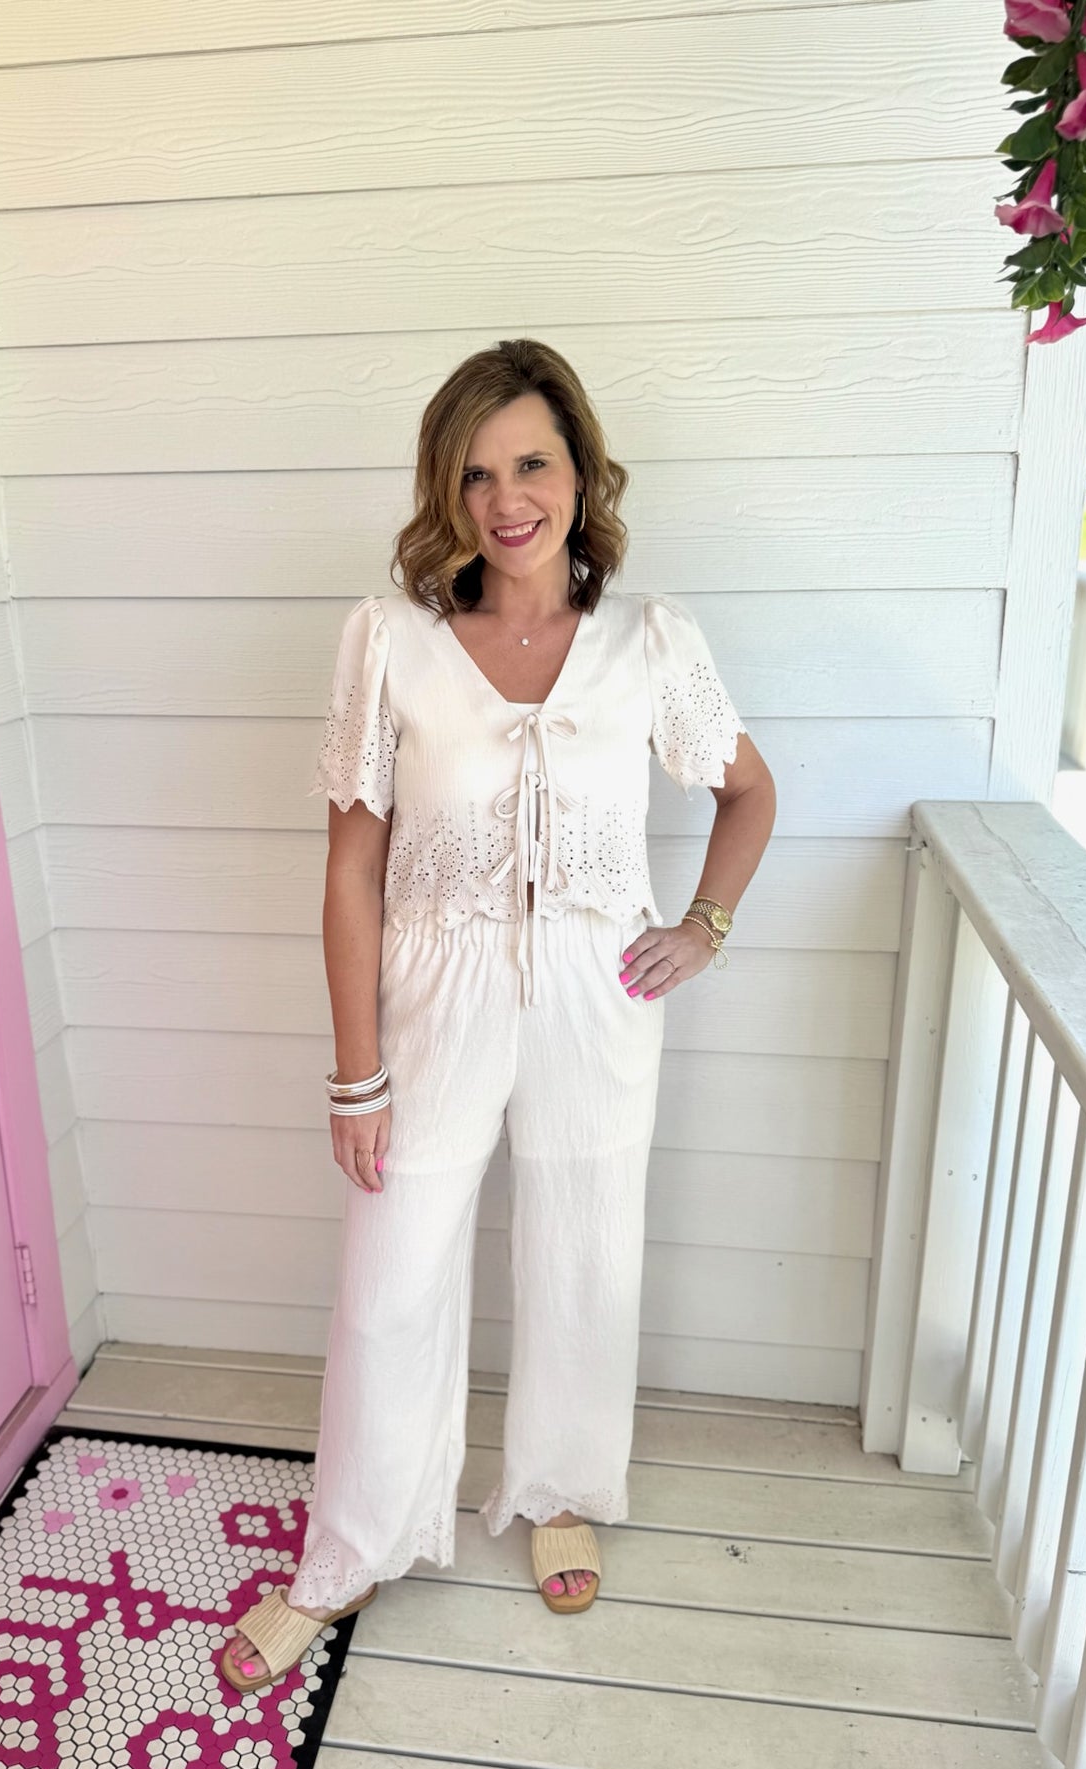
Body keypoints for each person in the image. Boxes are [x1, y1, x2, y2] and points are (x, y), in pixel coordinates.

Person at [218, 338, 776, 1694]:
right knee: (393, 1269)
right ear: (444, 489)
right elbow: (350, 870)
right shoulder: (392, 643)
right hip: (437, 990)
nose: (506, 499)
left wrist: (701, 928)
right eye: (474, 474)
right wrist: (357, 1074)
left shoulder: (651, 642)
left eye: (531, 464)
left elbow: (747, 791)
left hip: (600, 988)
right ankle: (351, 1546)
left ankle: (559, 1489)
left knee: (588, 1245)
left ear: (581, 472)